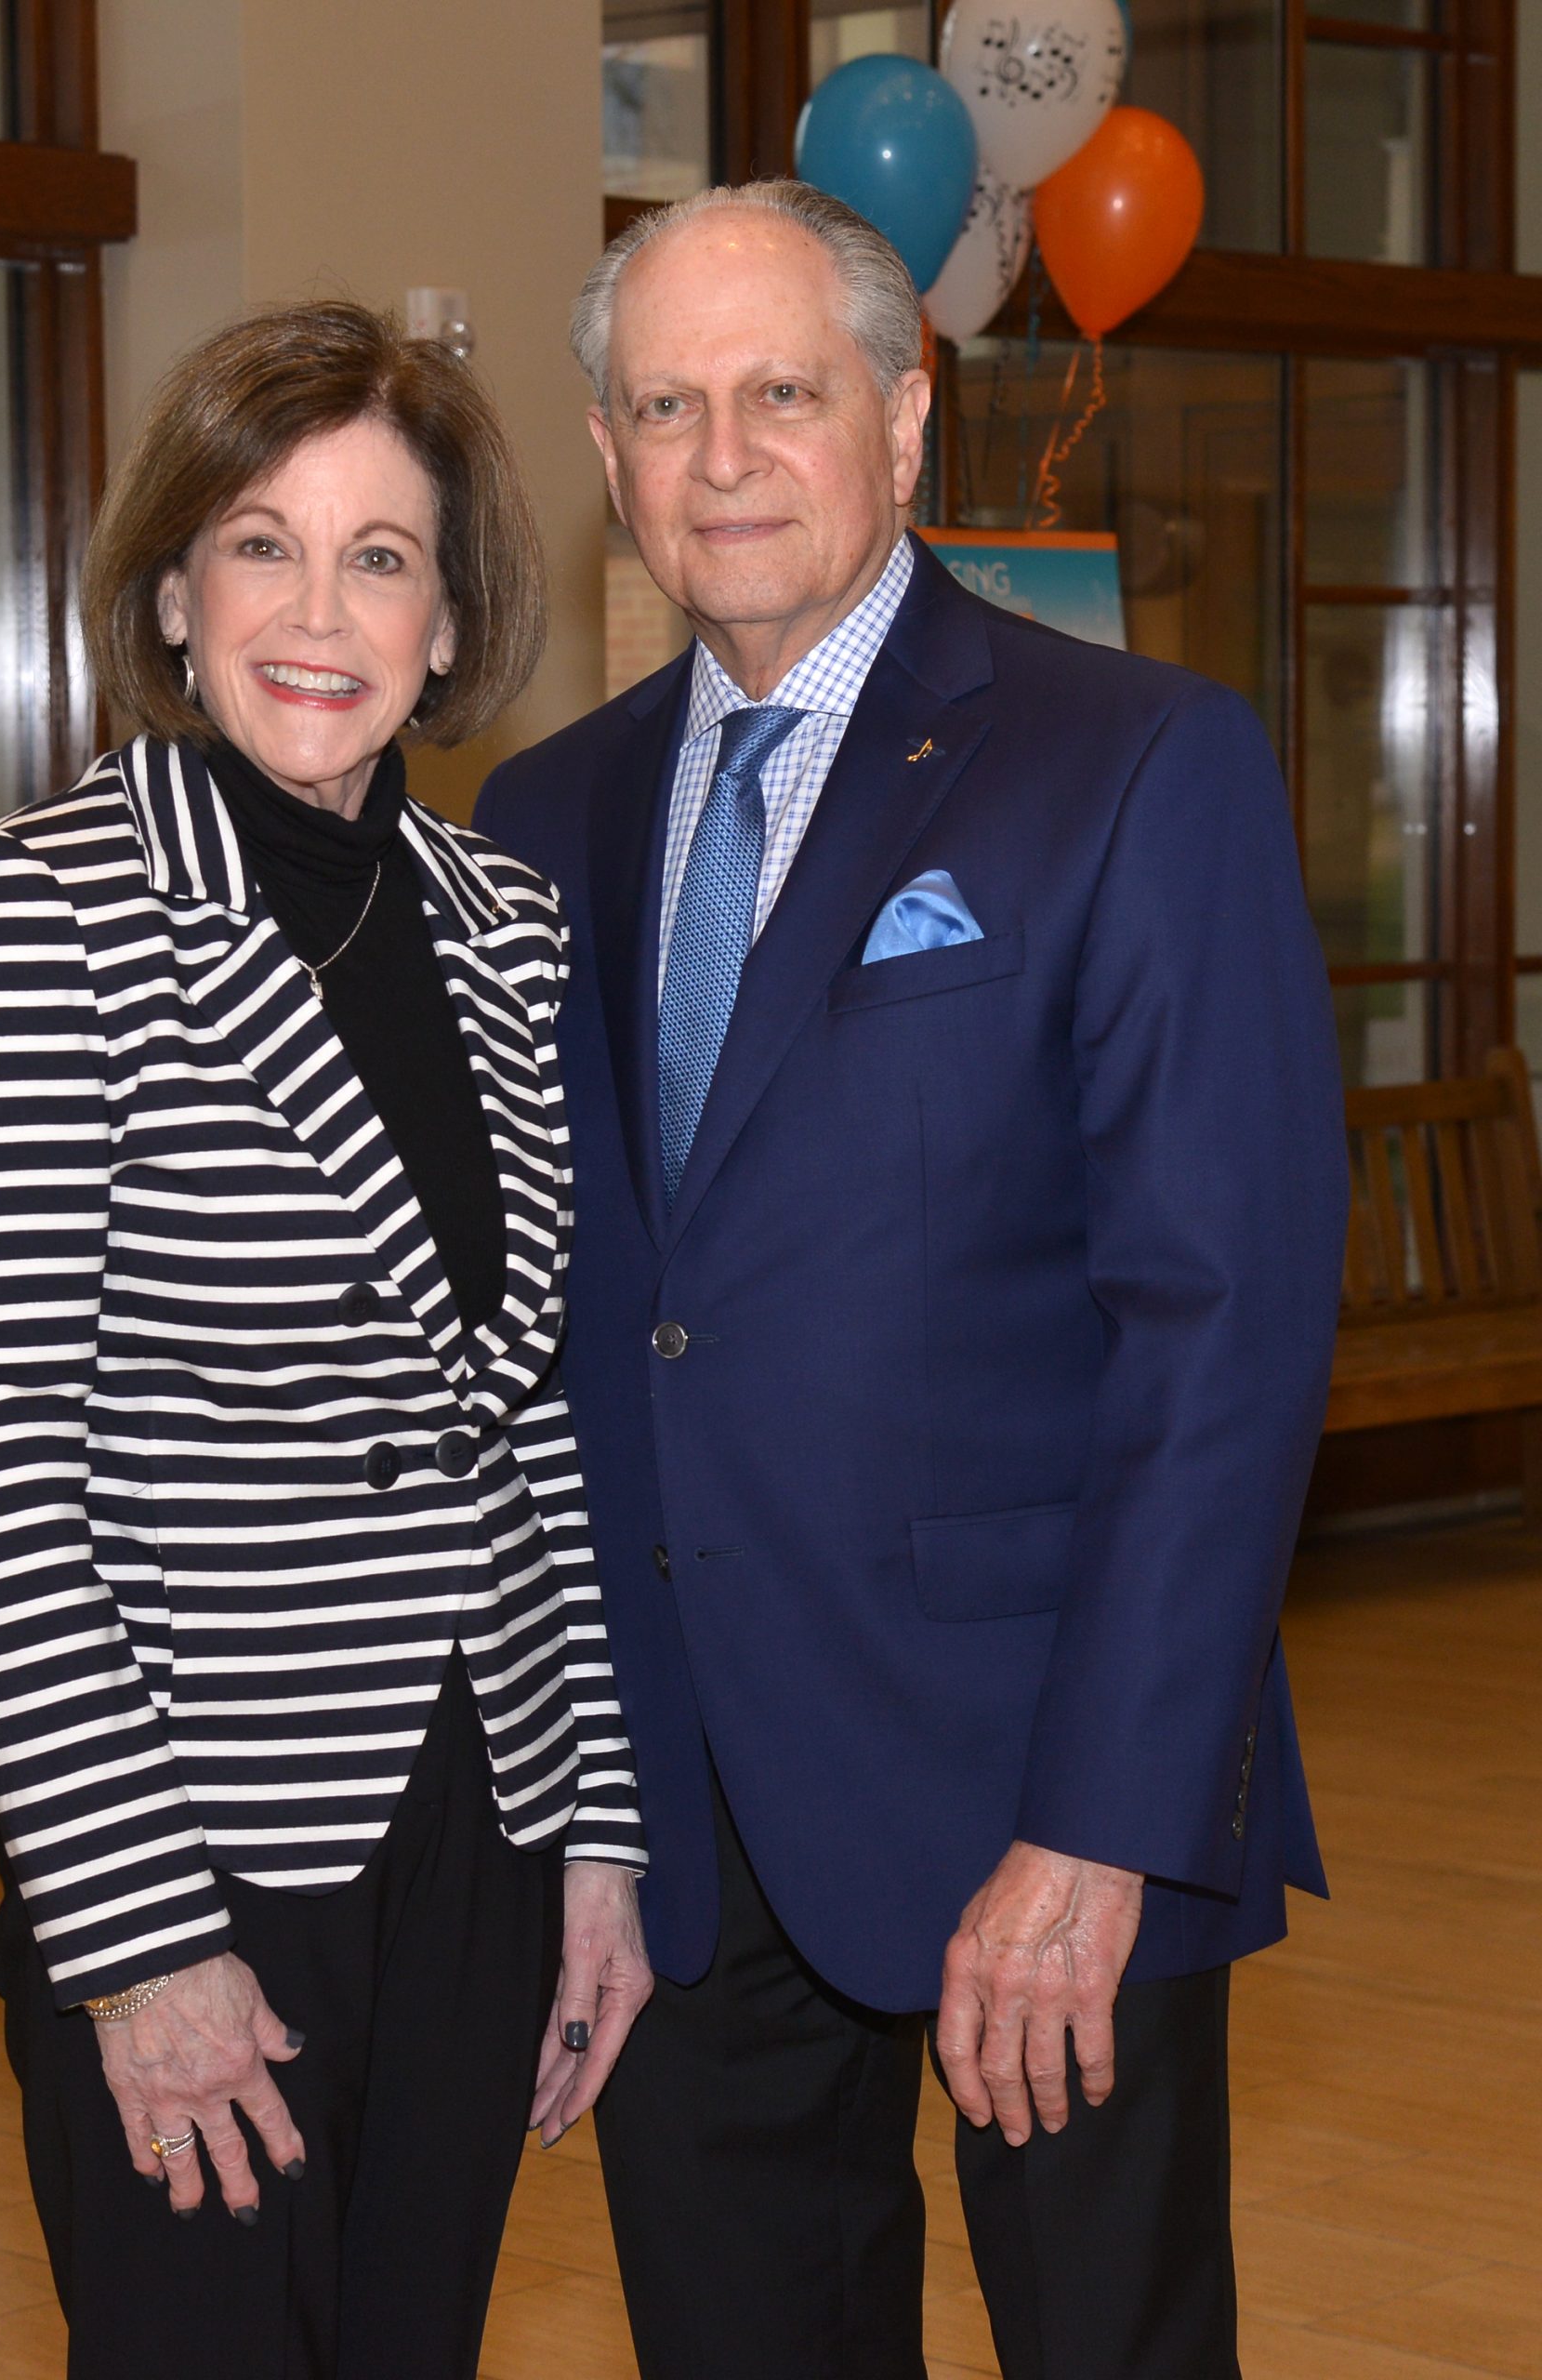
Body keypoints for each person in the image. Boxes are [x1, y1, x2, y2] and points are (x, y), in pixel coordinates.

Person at [473, 180, 1347, 2380]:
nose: (722, 456)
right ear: (604, 455)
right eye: (663, 406)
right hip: (679, 1807)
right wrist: (578, 1818)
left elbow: (1221, 1332)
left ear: (901, 412)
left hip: (1036, 1777)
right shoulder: (539, 822)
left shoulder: (1131, 761)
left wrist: (1101, 1822)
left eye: (779, 392)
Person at [0, 299, 652, 2380]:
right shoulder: (38, 910)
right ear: (172, 590)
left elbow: (529, 1429)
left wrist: (596, 1842)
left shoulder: (502, 929)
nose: (319, 613)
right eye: (261, 543)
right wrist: (137, 1939)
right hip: (196, 1832)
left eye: (378, 556)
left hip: (481, 1818)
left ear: (448, 619)